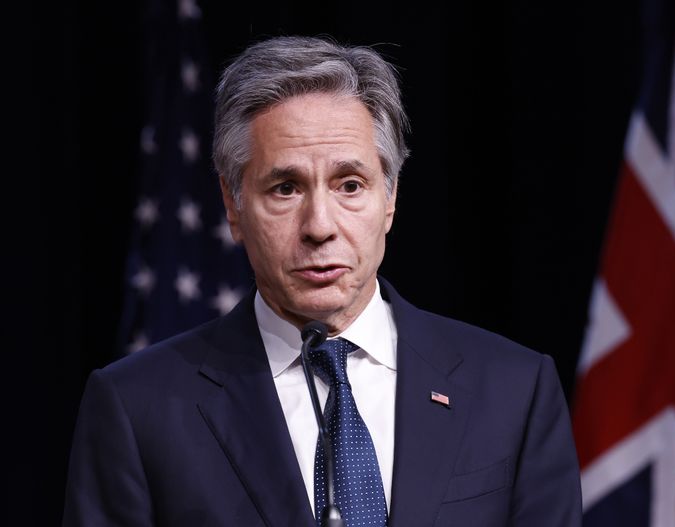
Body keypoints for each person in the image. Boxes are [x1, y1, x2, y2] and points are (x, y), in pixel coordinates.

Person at [64, 36, 582, 527]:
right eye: (285, 188)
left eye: (350, 185)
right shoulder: (138, 408)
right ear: (233, 205)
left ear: (391, 197)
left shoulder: (514, 390)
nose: (319, 226)